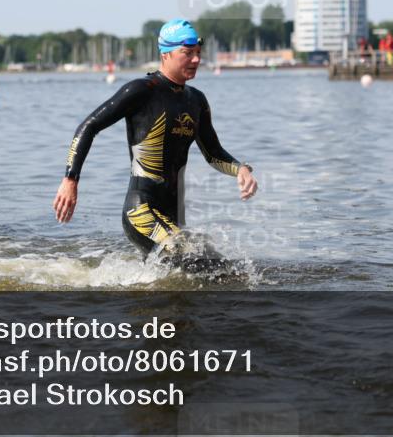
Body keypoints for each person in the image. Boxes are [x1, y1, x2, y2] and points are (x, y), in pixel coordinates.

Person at [52, 19, 258, 267]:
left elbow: (213, 153)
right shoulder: (142, 90)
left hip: (173, 217)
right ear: (165, 54)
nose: (195, 60)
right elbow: (88, 127)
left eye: (198, 54)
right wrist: (70, 179)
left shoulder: (197, 100)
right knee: (196, 262)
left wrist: (241, 169)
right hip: (141, 211)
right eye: (187, 53)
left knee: (224, 270)